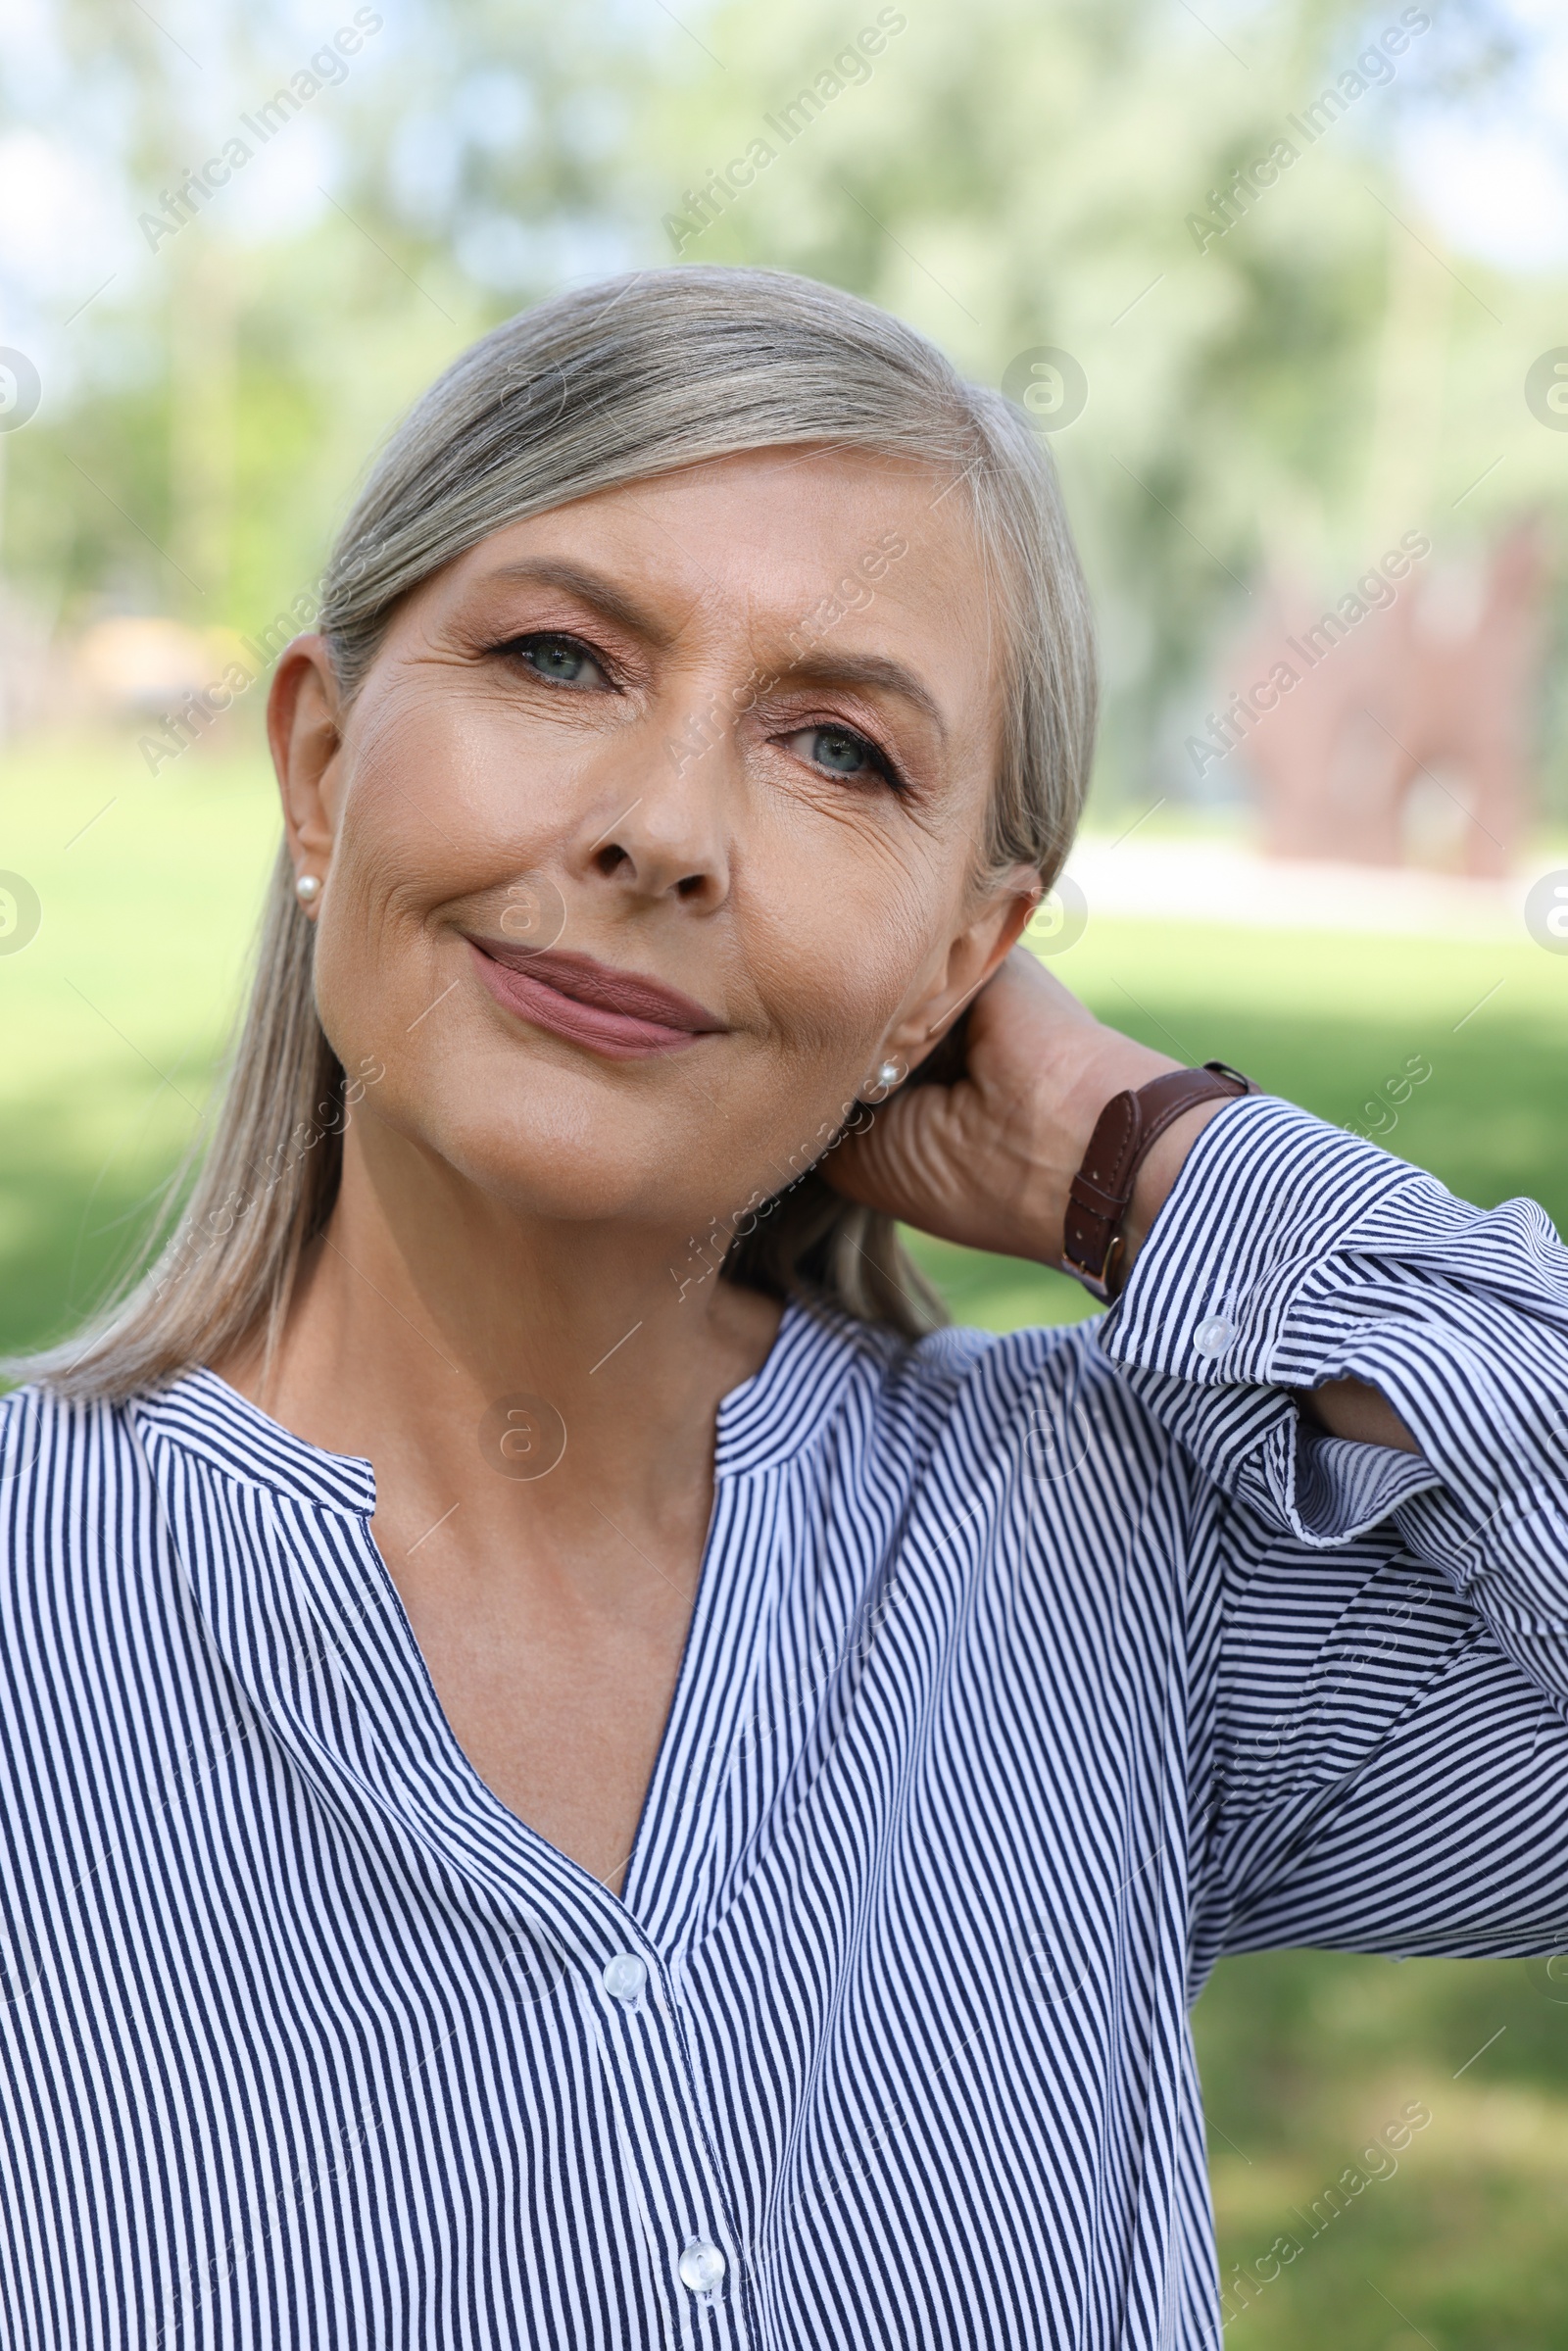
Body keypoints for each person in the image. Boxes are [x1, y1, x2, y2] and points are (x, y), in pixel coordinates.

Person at [2, 265, 1564, 2351]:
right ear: (318, 764)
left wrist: (1129, 1159)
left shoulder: (1108, 1561)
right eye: (561, 656)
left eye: (836, 748)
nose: (661, 829)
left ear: (961, 955)